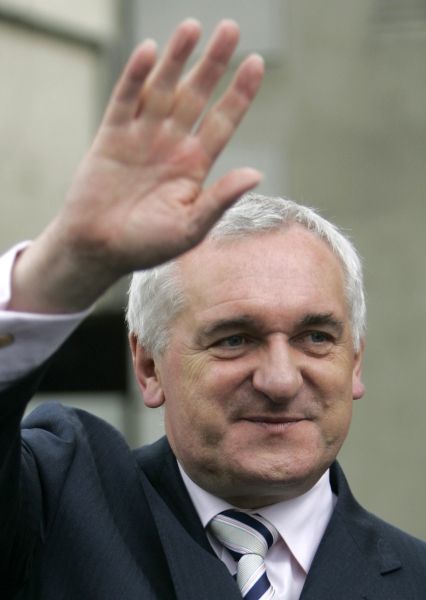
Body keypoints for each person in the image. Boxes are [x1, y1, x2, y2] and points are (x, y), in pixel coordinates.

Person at [0, 18, 424, 600]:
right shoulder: (57, 499)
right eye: (234, 339)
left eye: (315, 337)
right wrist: (61, 266)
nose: (279, 379)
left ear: (355, 363)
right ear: (148, 367)